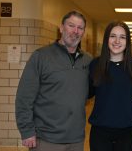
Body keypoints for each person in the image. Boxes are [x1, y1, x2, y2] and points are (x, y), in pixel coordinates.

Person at [15, 10, 92, 151]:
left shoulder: (88, 60)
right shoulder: (41, 56)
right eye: (71, 25)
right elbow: (24, 97)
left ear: (83, 32)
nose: (75, 31)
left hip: (76, 140)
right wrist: (27, 131)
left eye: (80, 28)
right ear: (61, 28)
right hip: (45, 139)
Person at [88, 21, 132, 151]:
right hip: (100, 132)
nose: (117, 41)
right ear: (106, 39)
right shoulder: (95, 64)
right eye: (113, 36)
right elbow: (88, 92)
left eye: (122, 37)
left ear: (127, 41)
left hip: (127, 132)